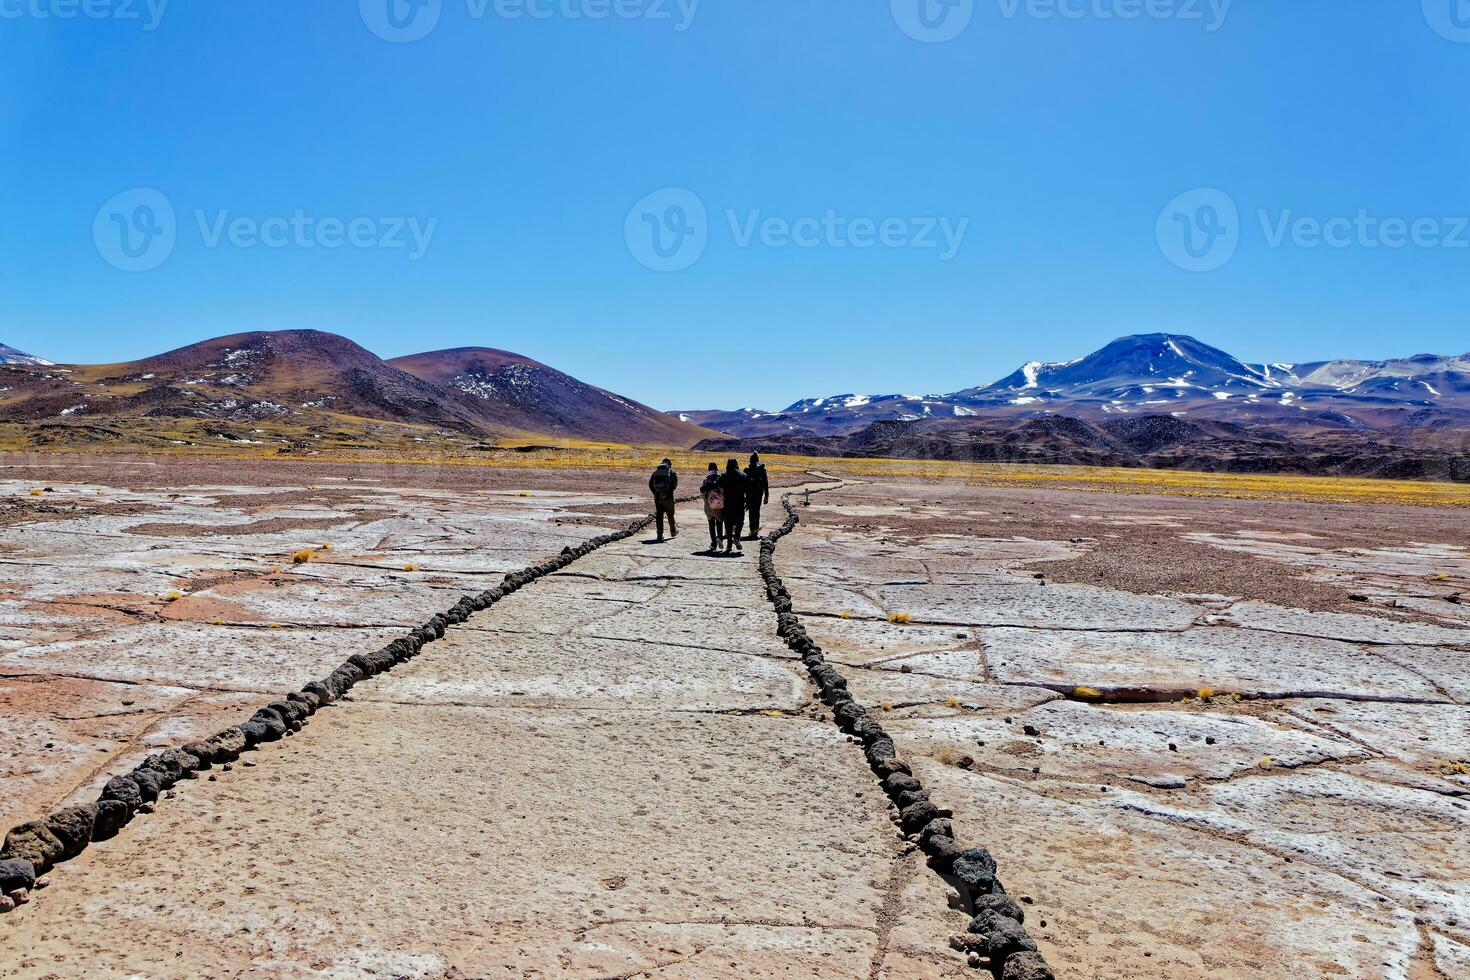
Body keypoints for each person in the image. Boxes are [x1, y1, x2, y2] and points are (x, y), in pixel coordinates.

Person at [718, 458, 747, 553]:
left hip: (727, 503)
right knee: (740, 521)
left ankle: (729, 545)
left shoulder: (723, 476)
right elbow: (748, 490)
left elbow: (719, 487)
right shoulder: (743, 475)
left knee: (728, 524)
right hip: (739, 502)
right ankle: (737, 537)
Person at [648, 458, 678, 542]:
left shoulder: (656, 472)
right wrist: (667, 494)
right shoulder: (672, 472)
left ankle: (659, 535)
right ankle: (673, 531)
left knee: (659, 516)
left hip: (658, 499)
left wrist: (656, 493)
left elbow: (650, 484)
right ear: (669, 464)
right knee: (670, 515)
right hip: (668, 498)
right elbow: (674, 485)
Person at [744, 451, 769, 538]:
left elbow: (744, 484)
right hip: (758, 493)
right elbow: (765, 483)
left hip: (749, 493)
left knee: (751, 511)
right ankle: (756, 530)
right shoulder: (762, 469)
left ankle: (752, 530)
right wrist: (766, 496)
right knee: (757, 511)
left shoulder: (747, 470)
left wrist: (743, 495)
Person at [699, 462, 723, 552]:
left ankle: (713, 544)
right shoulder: (720, 479)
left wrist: (707, 502)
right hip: (718, 505)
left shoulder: (706, 481)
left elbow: (703, 493)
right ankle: (720, 537)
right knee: (719, 522)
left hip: (708, 506)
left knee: (711, 524)